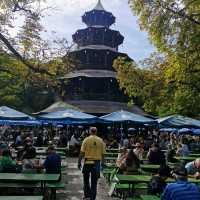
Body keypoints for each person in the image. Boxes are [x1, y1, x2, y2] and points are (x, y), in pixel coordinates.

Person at [78, 127, 106, 200]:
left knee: (86, 180)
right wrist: (103, 163)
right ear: (96, 132)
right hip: (96, 163)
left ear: (90, 132)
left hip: (87, 162)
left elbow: (81, 152)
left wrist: (79, 162)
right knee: (94, 182)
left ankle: (87, 195)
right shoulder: (101, 141)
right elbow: (103, 154)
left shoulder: (86, 140)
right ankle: (92, 198)